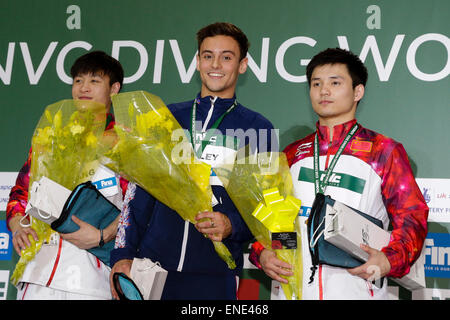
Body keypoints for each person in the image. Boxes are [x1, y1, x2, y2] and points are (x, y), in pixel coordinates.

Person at [109, 22, 277, 300]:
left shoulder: (257, 128)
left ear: (243, 65)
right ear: (198, 62)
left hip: (215, 274)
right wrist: (122, 255)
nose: (216, 64)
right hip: (152, 267)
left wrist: (232, 224)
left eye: (227, 57)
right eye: (208, 56)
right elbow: (137, 197)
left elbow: (264, 206)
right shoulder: (164, 119)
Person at [249, 48, 429, 300]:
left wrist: (389, 259)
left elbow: (412, 217)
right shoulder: (293, 153)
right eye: (316, 83)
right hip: (294, 290)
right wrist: (263, 253)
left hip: (357, 288)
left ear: (358, 91)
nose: (324, 90)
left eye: (335, 82)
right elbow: (270, 217)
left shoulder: (383, 151)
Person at [7, 50, 128, 299]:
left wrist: (103, 235)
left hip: (92, 276)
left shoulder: (126, 141)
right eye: (78, 80)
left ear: (114, 89)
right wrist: (18, 226)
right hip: (38, 272)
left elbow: (140, 207)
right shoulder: (52, 136)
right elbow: (20, 192)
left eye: (94, 81)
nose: (84, 87)